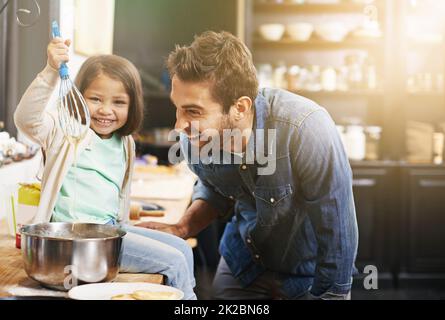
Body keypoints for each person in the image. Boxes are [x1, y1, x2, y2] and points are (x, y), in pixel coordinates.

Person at [139, 31, 359, 300]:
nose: (179, 126)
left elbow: (336, 226)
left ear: (240, 108)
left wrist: (332, 294)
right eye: (178, 108)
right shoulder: (194, 137)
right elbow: (214, 187)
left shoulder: (305, 127)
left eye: (193, 111)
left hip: (307, 271)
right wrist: (182, 228)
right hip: (243, 260)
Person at [14, 37, 196, 299]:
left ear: (132, 105)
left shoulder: (125, 144)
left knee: (183, 250)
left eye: (119, 102)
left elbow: (119, 199)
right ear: (78, 97)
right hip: (77, 241)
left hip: (109, 233)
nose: (106, 110)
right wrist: (51, 71)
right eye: (95, 99)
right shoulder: (66, 133)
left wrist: (127, 228)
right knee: (174, 261)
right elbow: (26, 118)